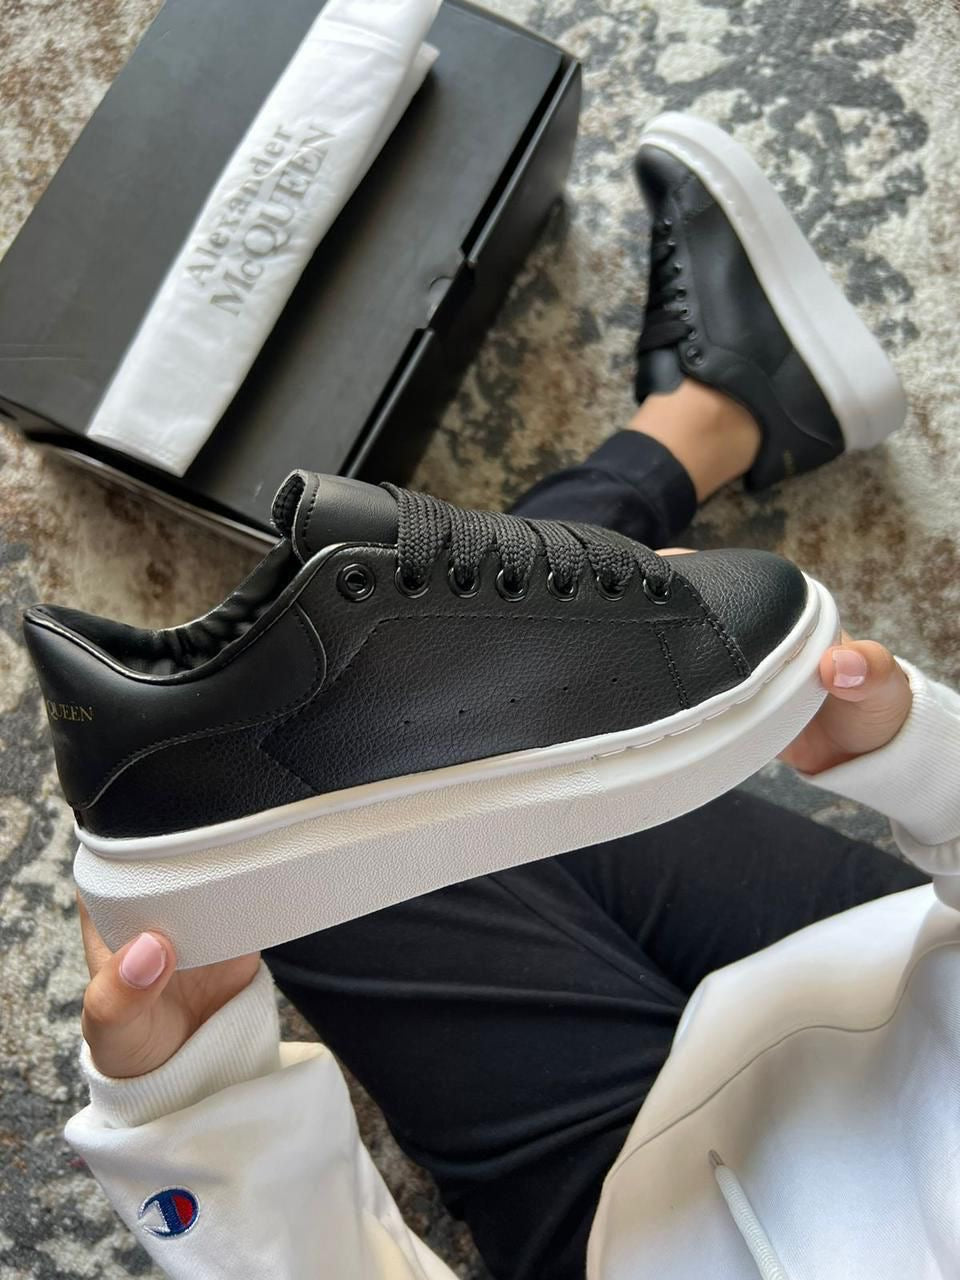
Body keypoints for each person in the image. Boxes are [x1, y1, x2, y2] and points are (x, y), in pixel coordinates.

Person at [65, 118, 959, 1280]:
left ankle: (713, 415)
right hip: (883, 981)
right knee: (443, 713)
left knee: (318, 793)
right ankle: (719, 410)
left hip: (625, 1228)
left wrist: (200, 1118)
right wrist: (930, 770)